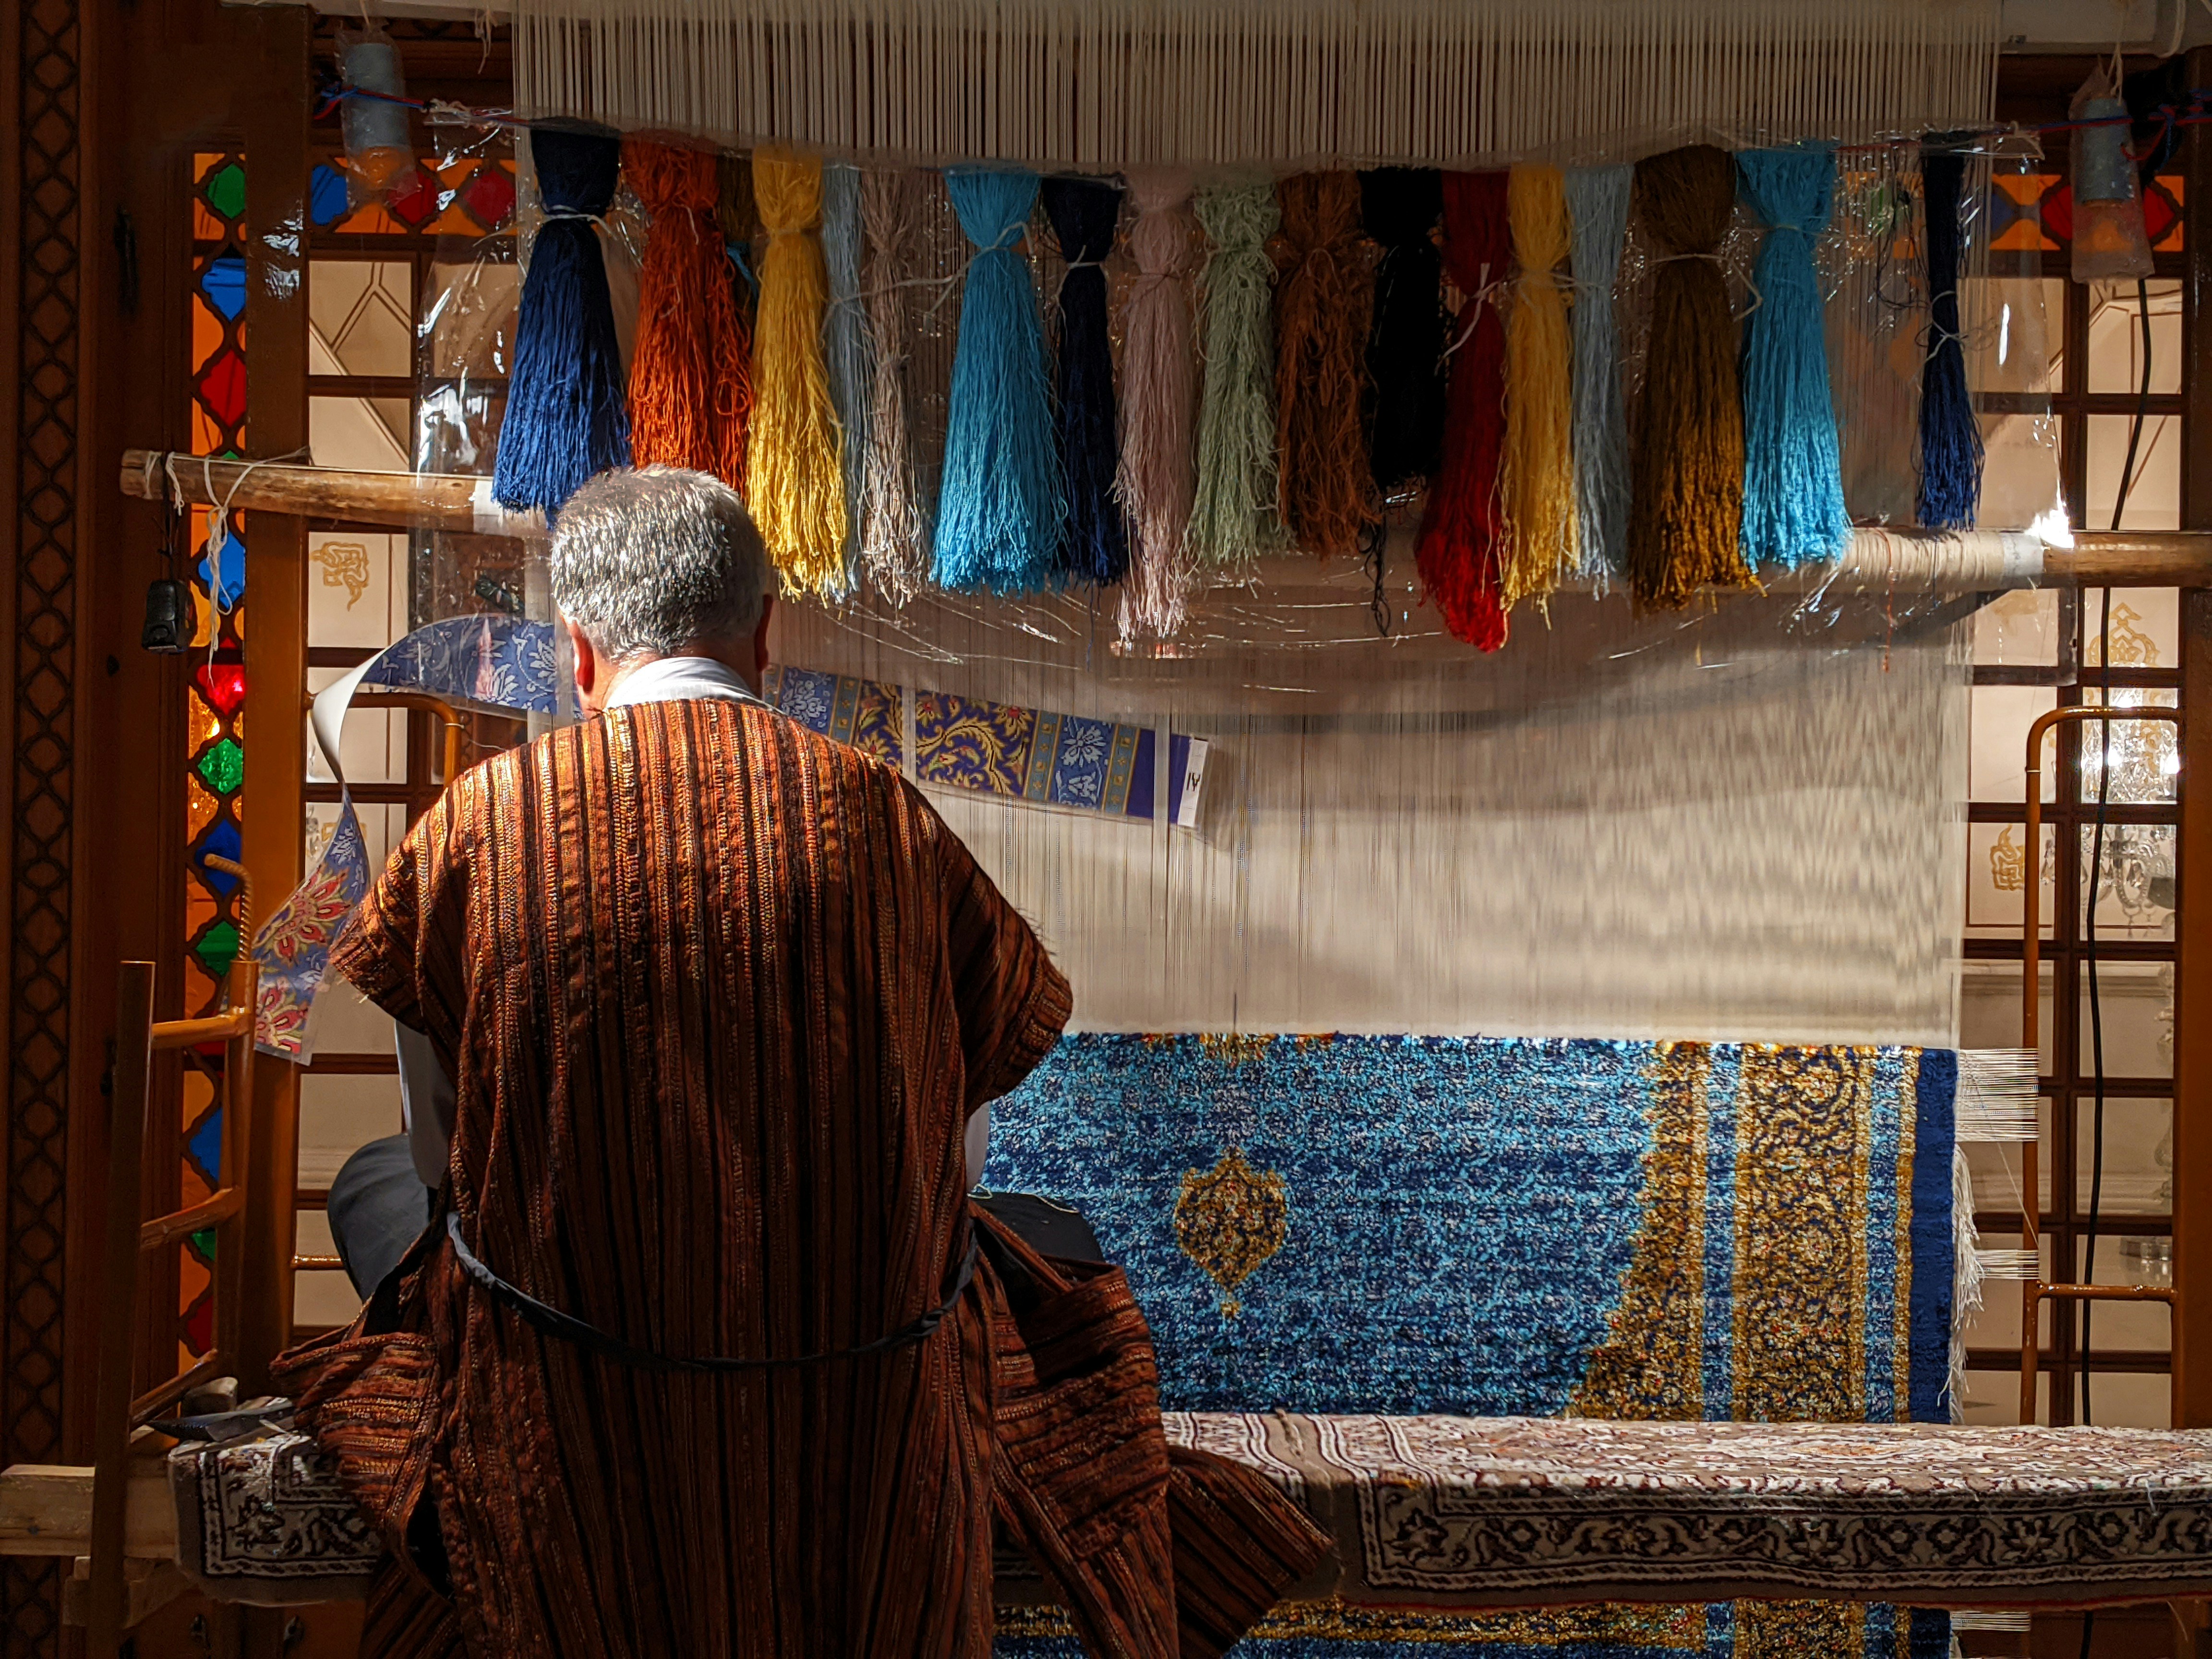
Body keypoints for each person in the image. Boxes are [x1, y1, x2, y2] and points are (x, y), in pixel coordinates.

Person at [292, 465, 1074, 1654]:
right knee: (1033, 1239)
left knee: (374, 1186)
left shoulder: (477, 826)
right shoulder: (890, 820)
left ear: (579, 650)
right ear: (767, 634)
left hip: (569, 1422)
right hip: (857, 1419)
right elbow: (958, 1155)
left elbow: (443, 1156)